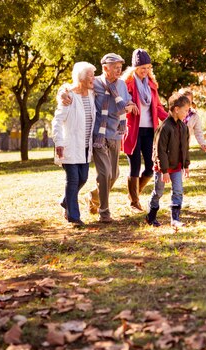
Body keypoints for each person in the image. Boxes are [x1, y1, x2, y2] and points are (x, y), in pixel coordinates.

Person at [61, 53, 135, 223]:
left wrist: (131, 105)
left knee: (114, 175)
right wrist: (62, 92)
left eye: (120, 66)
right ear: (105, 68)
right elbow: (75, 86)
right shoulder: (96, 84)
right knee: (104, 174)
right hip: (99, 137)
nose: (119, 69)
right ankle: (104, 211)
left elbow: (128, 101)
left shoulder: (122, 85)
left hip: (116, 134)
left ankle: (93, 197)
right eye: (115, 66)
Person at [121, 49, 168, 212]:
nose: (146, 71)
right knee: (134, 166)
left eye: (148, 67)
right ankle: (134, 202)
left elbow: (157, 106)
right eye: (142, 68)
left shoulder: (151, 85)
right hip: (133, 130)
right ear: (135, 68)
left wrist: (170, 120)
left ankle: (134, 194)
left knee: (150, 166)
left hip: (150, 130)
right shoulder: (126, 85)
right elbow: (122, 104)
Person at [52, 62, 96, 227]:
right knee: (73, 180)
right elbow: (57, 121)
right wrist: (59, 142)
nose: (93, 78)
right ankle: (74, 217)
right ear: (81, 78)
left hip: (85, 147)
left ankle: (65, 202)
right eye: (90, 75)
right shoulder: (69, 96)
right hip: (70, 146)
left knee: (83, 178)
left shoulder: (92, 94)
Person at [145, 93, 191, 229]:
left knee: (178, 190)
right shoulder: (165, 127)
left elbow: (185, 148)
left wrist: (186, 165)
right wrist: (164, 171)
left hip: (176, 166)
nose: (187, 113)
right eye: (185, 110)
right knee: (158, 192)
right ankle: (151, 214)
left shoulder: (184, 127)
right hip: (162, 167)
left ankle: (175, 219)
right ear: (176, 109)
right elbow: (160, 151)